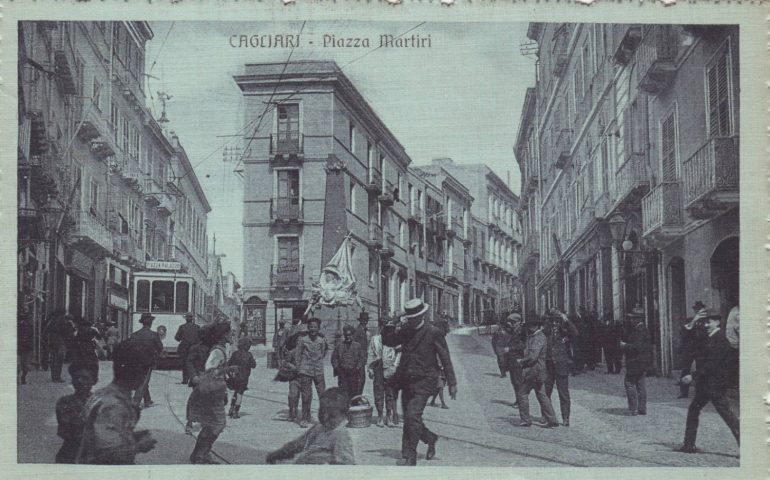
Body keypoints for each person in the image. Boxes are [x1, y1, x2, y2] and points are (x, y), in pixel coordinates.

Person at [382, 298, 457, 466]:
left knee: (411, 416)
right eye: (409, 317)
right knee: (411, 419)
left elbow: (445, 357)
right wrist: (392, 322)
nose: (412, 319)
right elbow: (388, 341)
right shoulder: (406, 330)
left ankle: (411, 456)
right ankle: (430, 438)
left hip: (425, 381)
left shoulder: (433, 332)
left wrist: (452, 383)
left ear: (421, 315)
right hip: (406, 380)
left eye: (415, 316)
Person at [75, 341, 157, 464]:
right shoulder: (115, 406)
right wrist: (139, 446)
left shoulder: (101, 394)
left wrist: (132, 437)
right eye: (145, 372)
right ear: (137, 372)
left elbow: (100, 435)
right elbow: (108, 454)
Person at [676, 310, 740, 453]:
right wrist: (693, 321)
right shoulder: (706, 337)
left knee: (727, 415)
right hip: (705, 385)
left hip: (715, 385)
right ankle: (688, 445)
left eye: (708, 322)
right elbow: (687, 338)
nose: (705, 325)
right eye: (704, 322)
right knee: (694, 410)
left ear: (717, 322)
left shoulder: (721, 340)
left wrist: (693, 376)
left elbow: (711, 364)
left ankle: (747, 446)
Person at [187, 322, 237, 464]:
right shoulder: (217, 351)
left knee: (211, 424)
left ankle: (200, 454)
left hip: (214, 390)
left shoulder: (220, 348)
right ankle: (200, 454)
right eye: (229, 333)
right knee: (218, 424)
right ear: (223, 335)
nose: (231, 335)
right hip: (211, 391)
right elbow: (210, 369)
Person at [266, 387, 355, 465]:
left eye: (332, 415)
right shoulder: (318, 427)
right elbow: (297, 444)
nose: (325, 417)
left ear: (344, 415)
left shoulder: (340, 435)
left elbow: (346, 465)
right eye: (322, 412)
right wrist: (278, 454)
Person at [515, 315, 559, 428]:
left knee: (522, 394)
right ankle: (552, 419)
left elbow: (533, 356)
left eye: (530, 326)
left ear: (534, 326)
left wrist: (521, 361)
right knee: (542, 395)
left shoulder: (538, 338)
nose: (528, 328)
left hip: (534, 370)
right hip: (538, 371)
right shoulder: (535, 336)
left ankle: (526, 420)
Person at [55, 361, 98, 463]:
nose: (79, 381)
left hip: (94, 456)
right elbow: (67, 431)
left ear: (94, 381)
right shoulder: (65, 402)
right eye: (76, 377)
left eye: (85, 378)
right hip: (70, 454)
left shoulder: (100, 403)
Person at [545, 309, 578, 426]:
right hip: (548, 365)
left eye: (557, 321)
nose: (555, 323)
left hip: (561, 365)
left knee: (563, 393)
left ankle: (565, 418)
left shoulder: (565, 331)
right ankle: (547, 416)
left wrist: (566, 320)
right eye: (552, 321)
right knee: (545, 392)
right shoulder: (546, 330)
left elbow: (575, 333)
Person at [293, 317, 328, 428]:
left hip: (318, 370)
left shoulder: (321, 340)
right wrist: (299, 368)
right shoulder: (303, 340)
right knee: (306, 396)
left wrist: (317, 362)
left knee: (322, 394)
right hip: (305, 370)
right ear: (308, 328)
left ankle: (324, 419)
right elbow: (297, 355)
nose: (313, 329)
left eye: (315, 327)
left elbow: (323, 353)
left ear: (318, 328)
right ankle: (305, 418)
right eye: (311, 327)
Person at [368, 320, 401, 427]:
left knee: (390, 393)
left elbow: (399, 354)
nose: (389, 331)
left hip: (390, 368)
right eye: (387, 328)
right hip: (378, 367)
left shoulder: (395, 340)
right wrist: (370, 368)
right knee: (378, 392)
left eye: (391, 329)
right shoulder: (375, 339)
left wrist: (395, 367)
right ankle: (380, 416)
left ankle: (389, 416)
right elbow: (371, 354)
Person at [620, 306, 652, 416]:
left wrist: (625, 346)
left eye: (633, 318)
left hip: (635, 361)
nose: (631, 320)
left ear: (638, 319)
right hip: (643, 362)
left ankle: (633, 408)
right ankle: (642, 408)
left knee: (629, 383)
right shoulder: (644, 329)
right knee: (640, 384)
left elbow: (637, 347)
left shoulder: (639, 330)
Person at [129, 312, 163, 408]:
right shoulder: (154, 335)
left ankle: (148, 400)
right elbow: (160, 347)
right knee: (144, 381)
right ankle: (135, 402)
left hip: (135, 361)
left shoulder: (134, 335)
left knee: (142, 379)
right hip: (148, 361)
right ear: (151, 323)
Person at [184, 327, 212, 434]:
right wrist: (193, 376)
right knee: (195, 401)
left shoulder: (213, 348)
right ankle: (189, 423)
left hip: (209, 378)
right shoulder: (195, 348)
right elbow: (189, 362)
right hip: (198, 377)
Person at [677, 301, 708, 398]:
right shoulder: (690, 320)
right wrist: (694, 320)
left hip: (701, 349)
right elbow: (684, 331)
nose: (698, 311)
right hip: (689, 349)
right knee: (685, 370)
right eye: (696, 309)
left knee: (700, 370)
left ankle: (700, 392)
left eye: (700, 309)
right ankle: (684, 392)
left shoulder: (707, 321)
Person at [331, 324, 366, 399]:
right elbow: (334, 358)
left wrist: (357, 368)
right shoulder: (339, 345)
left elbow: (361, 358)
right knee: (343, 392)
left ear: (353, 335)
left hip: (354, 373)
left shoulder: (357, 346)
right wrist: (337, 369)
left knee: (354, 392)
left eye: (350, 335)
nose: (348, 337)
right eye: (346, 335)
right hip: (342, 373)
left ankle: (353, 407)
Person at [283, 317, 306, 423]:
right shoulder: (291, 351)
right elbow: (286, 362)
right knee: (293, 395)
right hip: (294, 377)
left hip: (306, 376)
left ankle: (306, 415)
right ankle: (292, 412)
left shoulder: (308, 351)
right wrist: (293, 367)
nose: (300, 340)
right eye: (299, 338)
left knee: (306, 397)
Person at [500, 313, 525, 409]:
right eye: (510, 322)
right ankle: (518, 400)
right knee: (514, 382)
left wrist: (510, 349)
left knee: (518, 382)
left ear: (518, 322)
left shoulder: (521, 332)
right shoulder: (513, 331)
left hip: (518, 360)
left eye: (513, 322)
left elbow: (523, 346)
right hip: (512, 361)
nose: (511, 324)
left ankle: (521, 402)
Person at [227, 337, 257, 419]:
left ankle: (231, 408)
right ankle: (236, 412)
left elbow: (229, 364)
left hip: (235, 377)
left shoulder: (235, 354)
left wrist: (230, 374)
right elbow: (254, 365)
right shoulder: (249, 355)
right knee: (240, 394)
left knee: (235, 392)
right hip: (244, 378)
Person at [428, 319, 451, 409]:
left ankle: (433, 401)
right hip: (437, 366)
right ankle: (443, 403)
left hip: (441, 366)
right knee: (440, 385)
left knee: (440, 385)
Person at [45, 311, 73, 383]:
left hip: (54, 343)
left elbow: (45, 332)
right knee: (58, 360)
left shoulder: (52, 322)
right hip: (59, 344)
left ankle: (55, 377)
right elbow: (67, 334)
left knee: (55, 360)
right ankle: (56, 377)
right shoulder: (61, 323)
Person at [175, 313, 201, 385]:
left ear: (186, 319)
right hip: (195, 348)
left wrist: (183, 339)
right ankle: (192, 379)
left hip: (185, 348)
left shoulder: (182, 327)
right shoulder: (197, 327)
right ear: (192, 319)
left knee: (185, 364)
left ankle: (185, 380)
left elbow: (177, 338)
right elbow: (201, 338)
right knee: (194, 364)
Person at [352, 311, 371, 396]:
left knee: (361, 379)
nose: (365, 322)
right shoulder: (358, 330)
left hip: (363, 358)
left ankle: (358, 396)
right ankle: (357, 397)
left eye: (366, 320)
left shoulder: (365, 330)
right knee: (360, 379)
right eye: (363, 320)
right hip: (358, 358)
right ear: (360, 321)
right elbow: (354, 344)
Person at [18, 312, 34, 385]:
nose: (31, 319)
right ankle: (21, 377)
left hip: (27, 347)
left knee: (25, 364)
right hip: (22, 347)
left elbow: (31, 337)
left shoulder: (30, 326)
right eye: (30, 318)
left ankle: (23, 377)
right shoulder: (20, 325)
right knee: (22, 363)